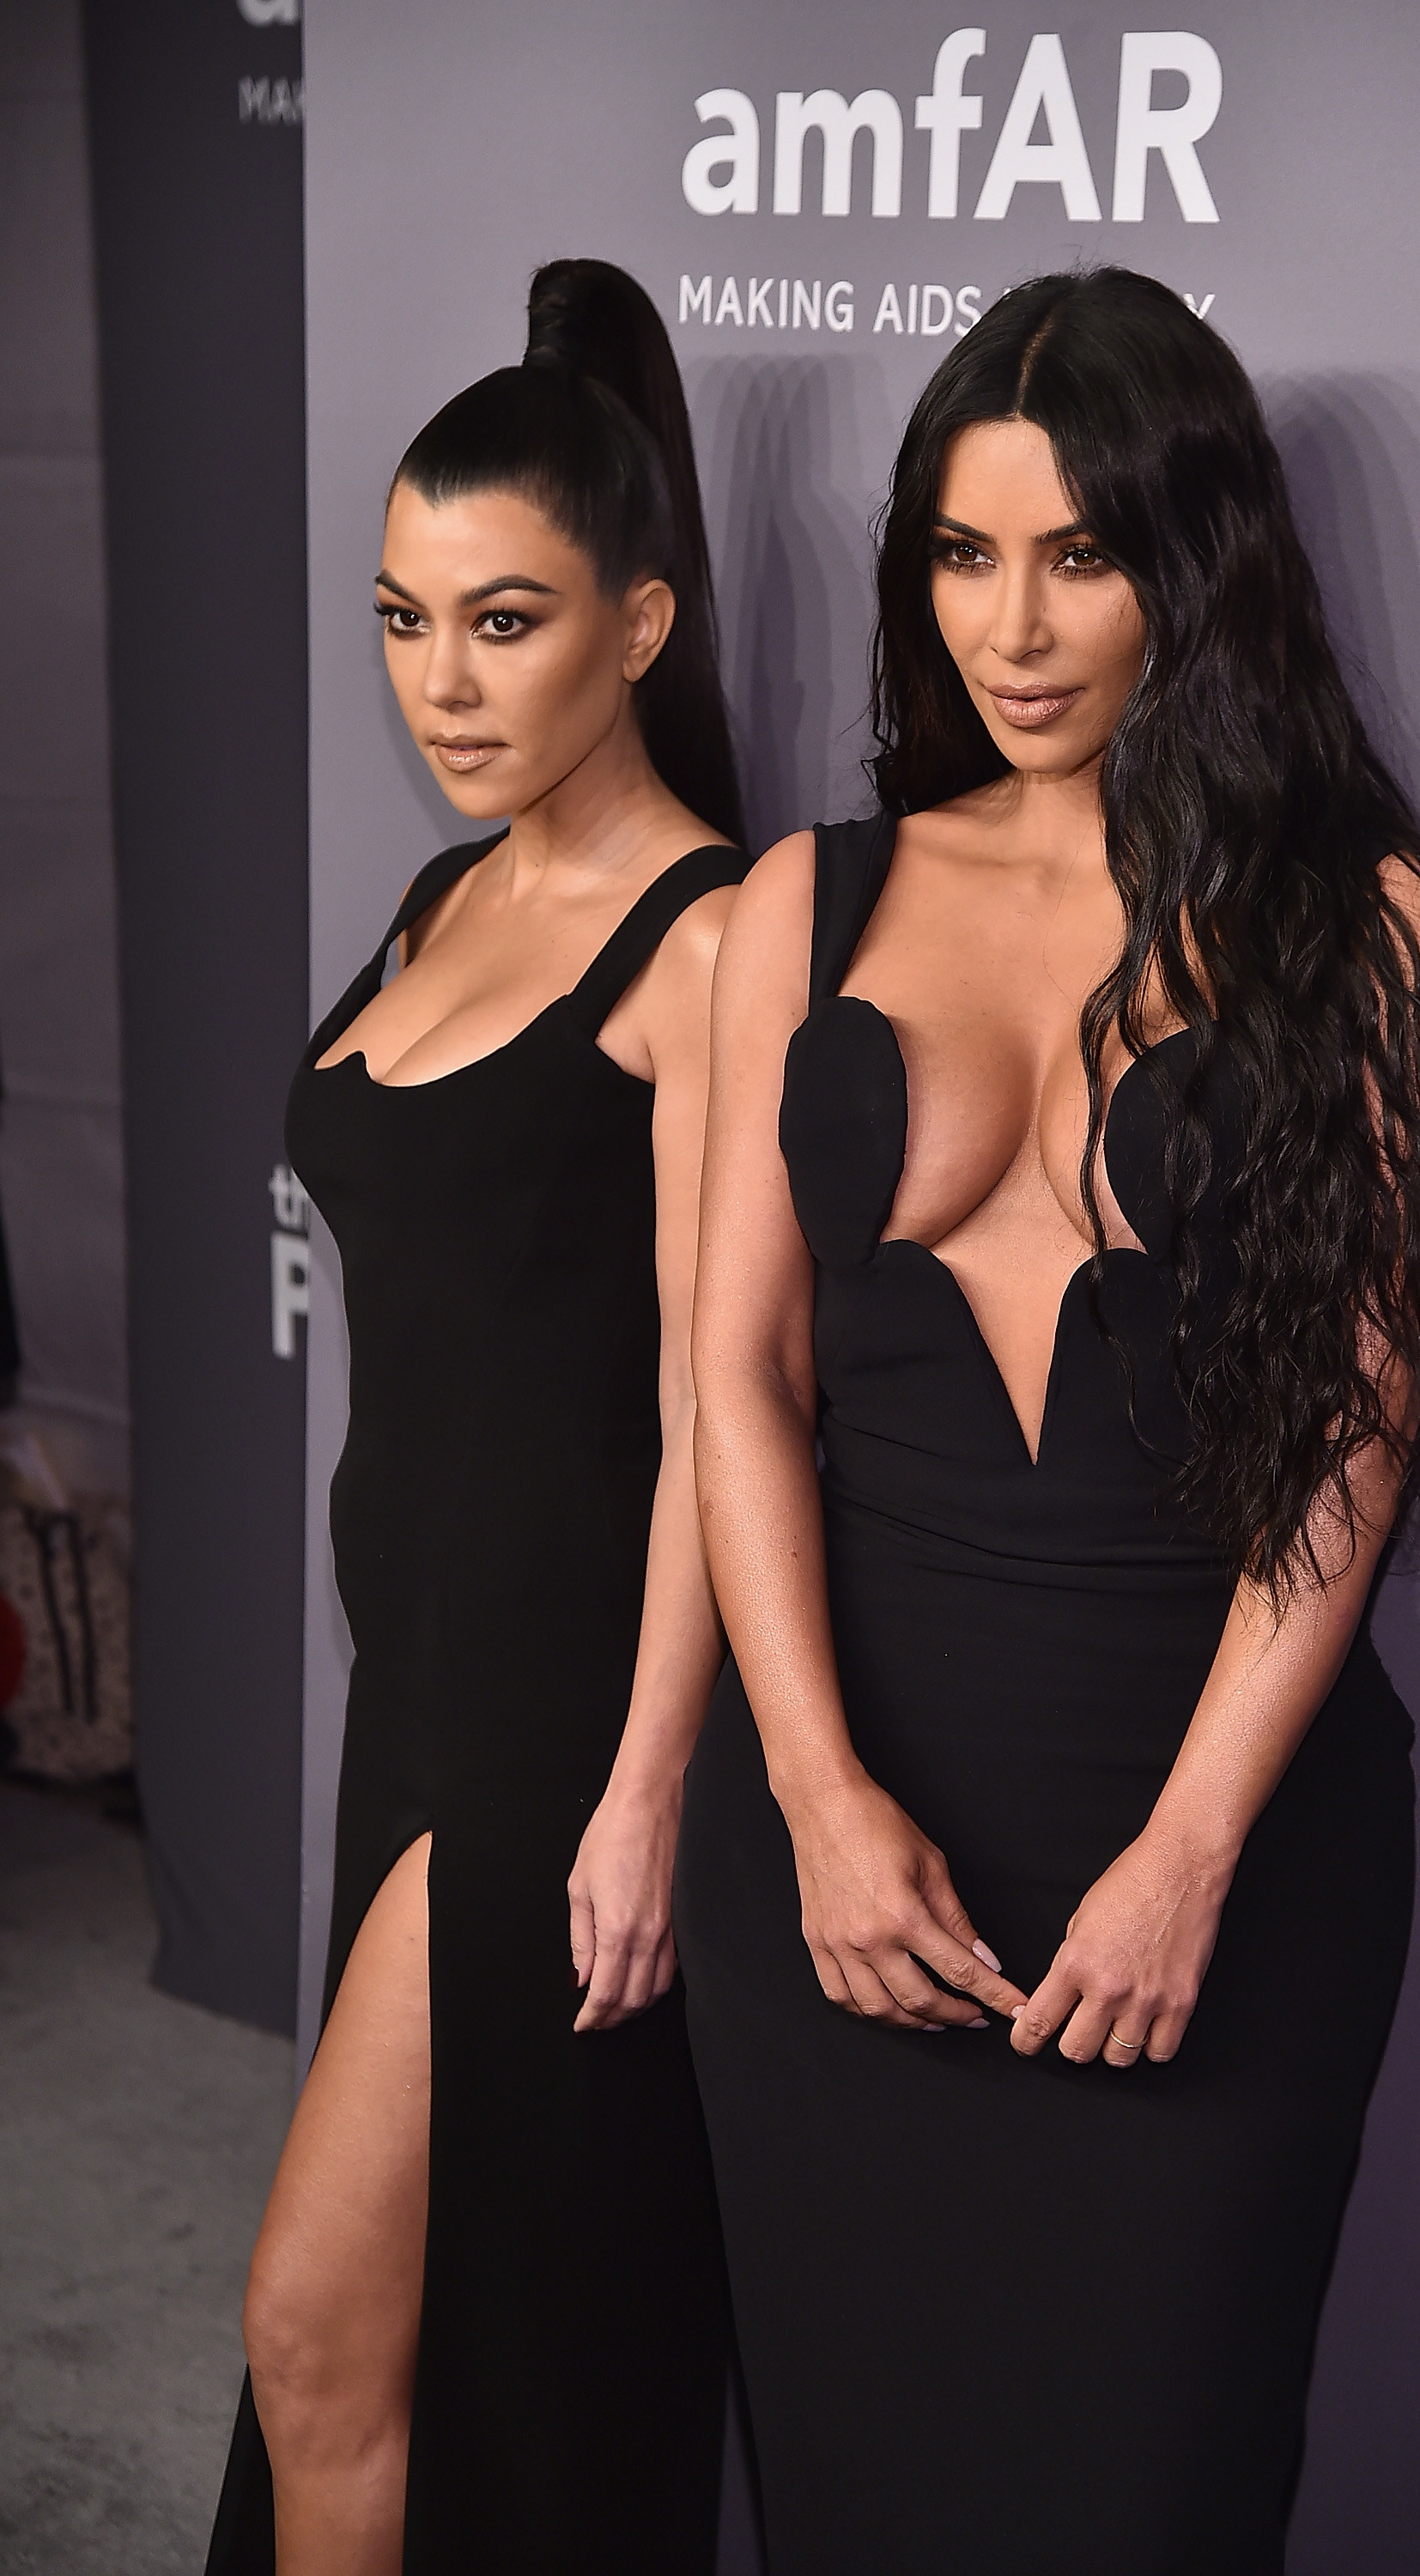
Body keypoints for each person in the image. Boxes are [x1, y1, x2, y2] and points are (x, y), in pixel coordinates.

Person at [675, 268, 1420, 2574]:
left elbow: (1349, 1438)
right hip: (844, 1879)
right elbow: (735, 1378)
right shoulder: (800, 904)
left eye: (1079, 554)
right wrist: (814, 1803)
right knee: (858, 2492)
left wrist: (1188, 1858)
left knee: (1147, 2506)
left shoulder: (1377, 929)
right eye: (959, 555)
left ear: (1198, 560)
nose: (1011, 628)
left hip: (1202, 1876)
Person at [207, 260, 748, 2575]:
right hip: (411, 1701)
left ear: (637, 621)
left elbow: (738, 1411)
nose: (441, 680)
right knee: (402, 2351)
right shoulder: (442, 894)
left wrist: (643, 1797)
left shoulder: (717, 932)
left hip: (556, 1737)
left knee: (342, 2333)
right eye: (403, 618)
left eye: (504, 621)